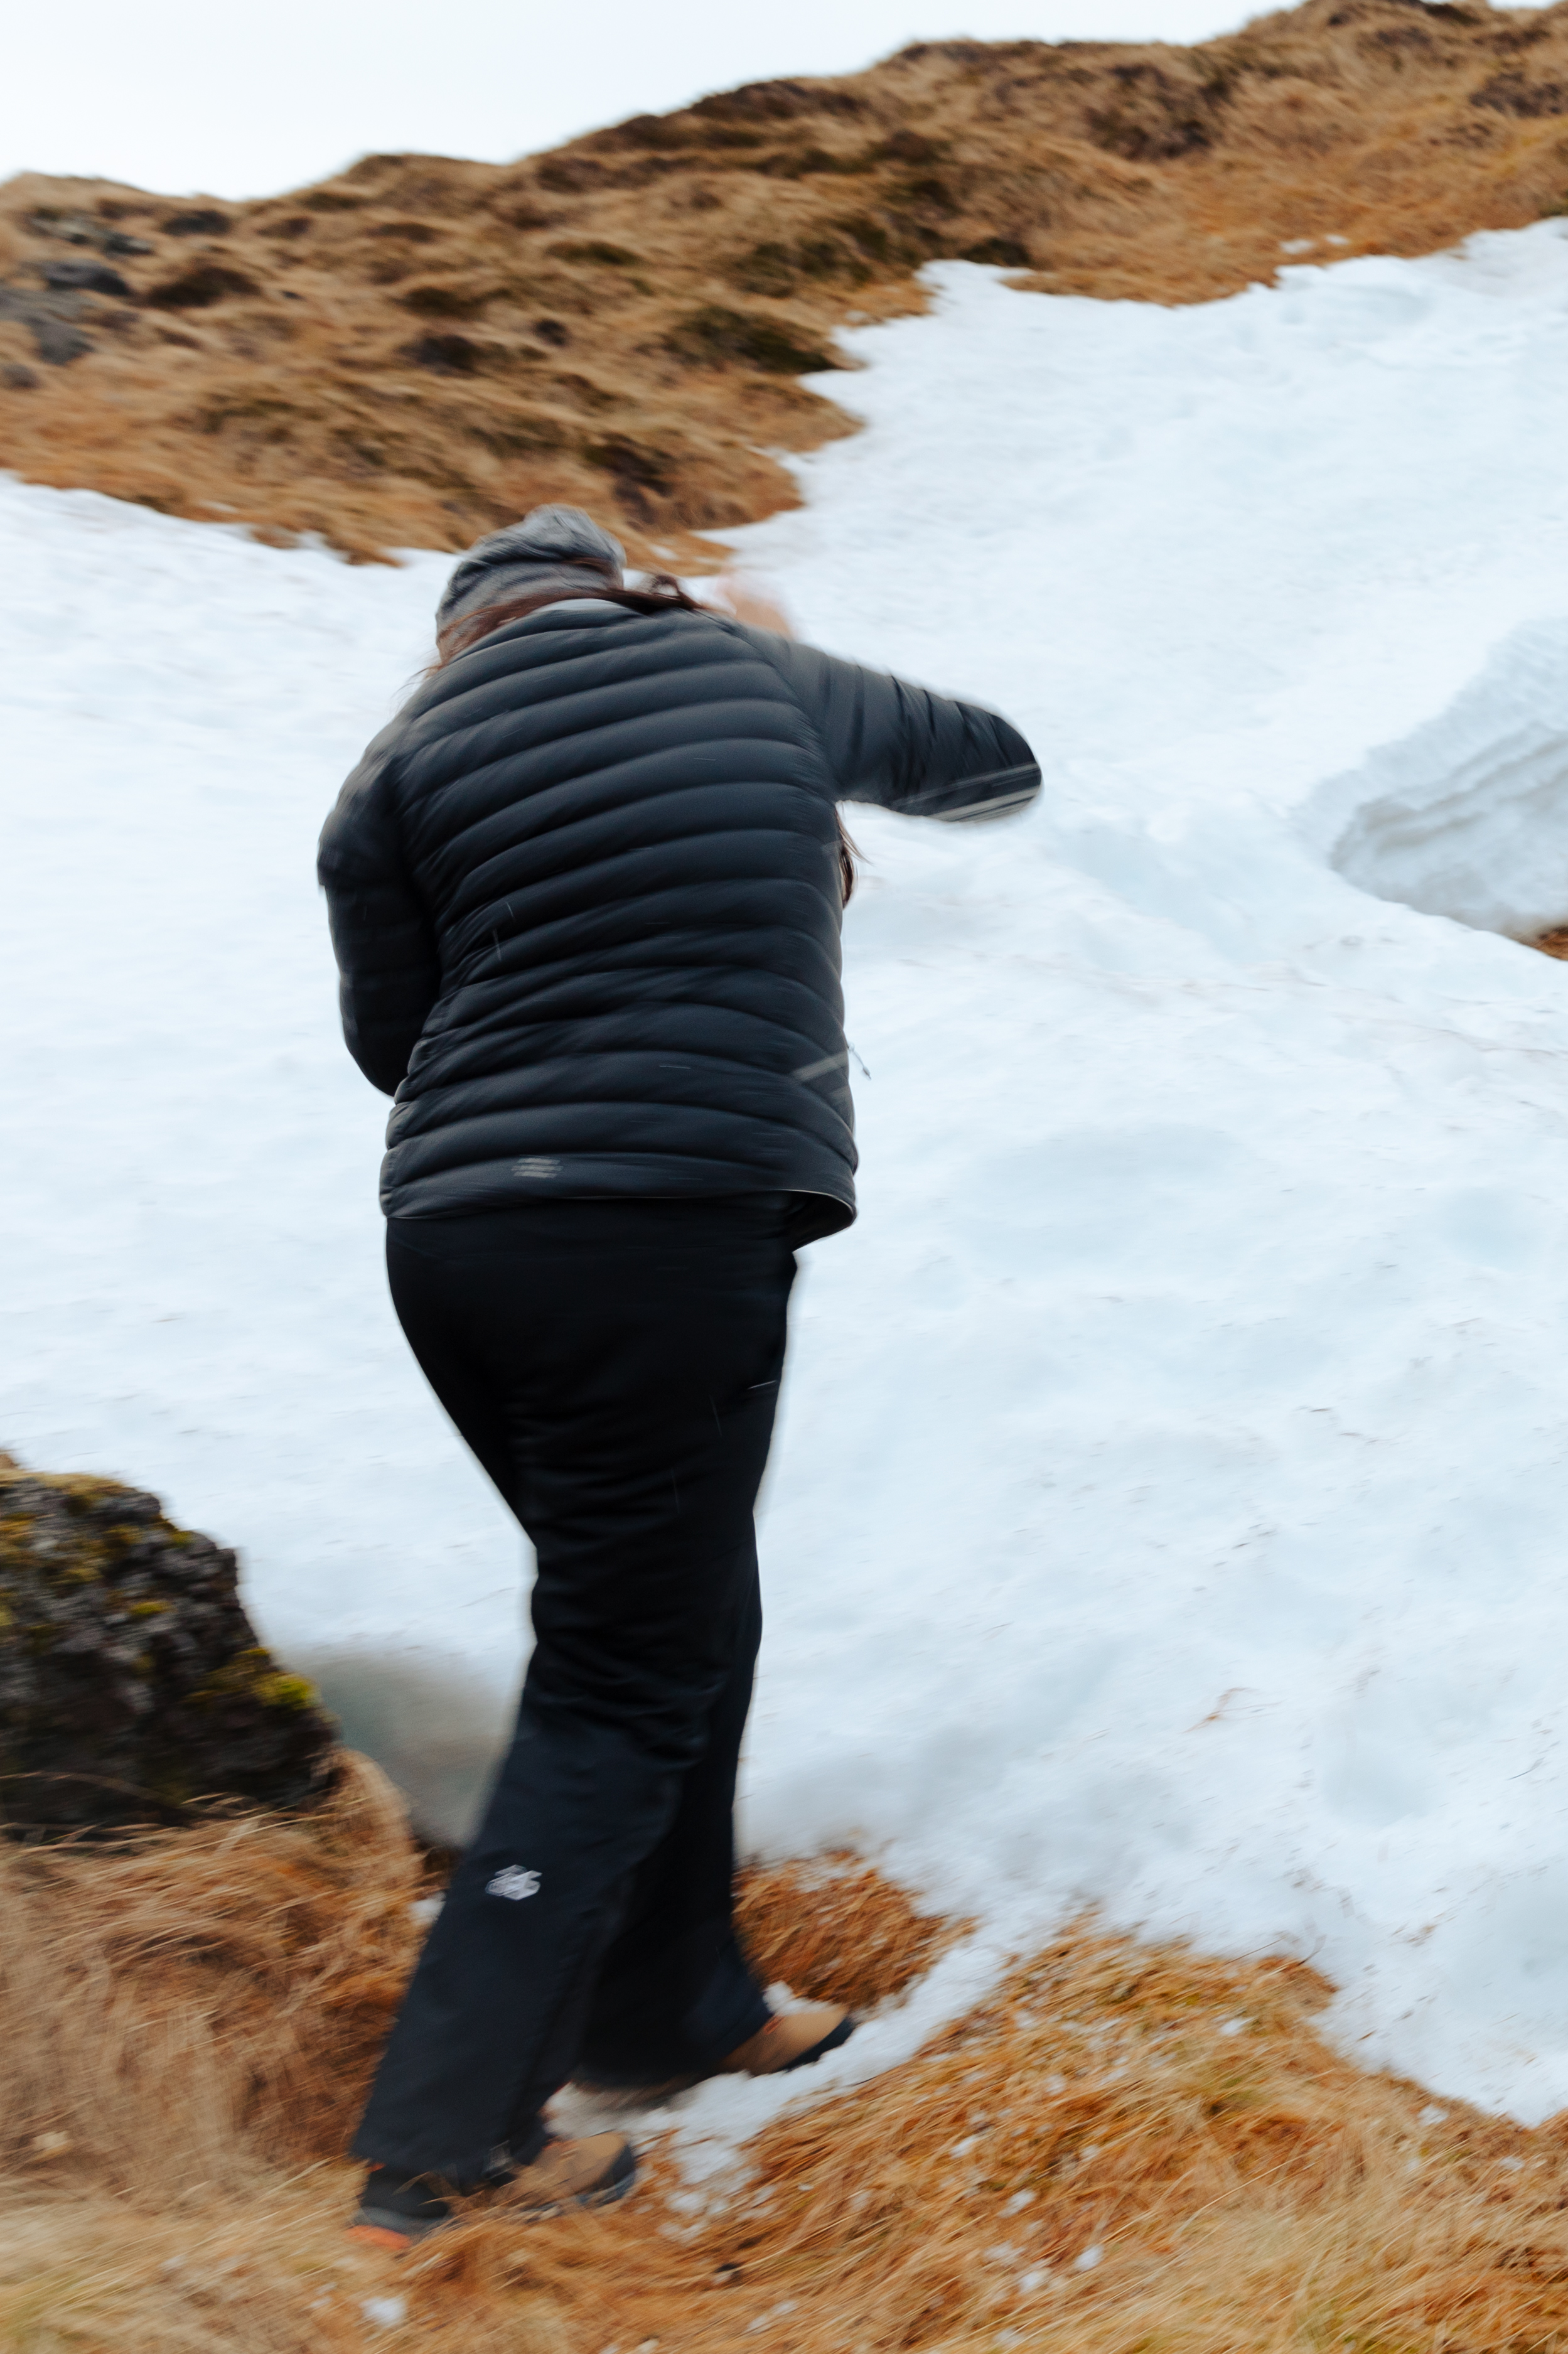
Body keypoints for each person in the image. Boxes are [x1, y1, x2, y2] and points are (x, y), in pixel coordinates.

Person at [318, 506, 1039, 2242]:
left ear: (459, 635)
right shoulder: (739, 666)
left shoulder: (393, 765)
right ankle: (446, 2145)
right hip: (667, 1229)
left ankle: (670, 2012)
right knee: (626, 1669)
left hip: (461, 1243)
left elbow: (387, 1044)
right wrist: (770, 680)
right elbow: (993, 767)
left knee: (672, 1614)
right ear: (615, 581)